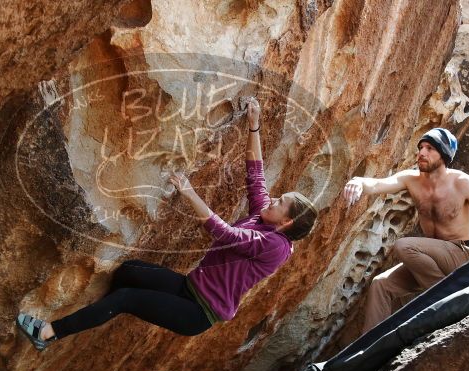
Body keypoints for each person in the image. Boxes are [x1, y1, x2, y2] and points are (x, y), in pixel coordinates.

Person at [17, 97, 317, 350]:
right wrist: (254, 125)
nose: (273, 200)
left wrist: (189, 192)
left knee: (125, 298)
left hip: (198, 311)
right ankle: (101, 311)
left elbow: (225, 234)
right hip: (189, 286)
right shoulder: (264, 218)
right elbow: (256, 174)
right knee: (129, 271)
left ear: (287, 222)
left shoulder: (276, 246)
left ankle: (47, 333)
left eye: (280, 203)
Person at [343, 127, 469, 333]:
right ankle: (365, 349)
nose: (422, 153)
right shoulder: (412, 180)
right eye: (421, 148)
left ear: (443, 155)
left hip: (462, 254)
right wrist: (359, 182)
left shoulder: (462, 182)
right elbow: (378, 184)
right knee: (381, 284)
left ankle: (448, 298)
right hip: (430, 263)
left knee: (403, 246)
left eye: (430, 148)